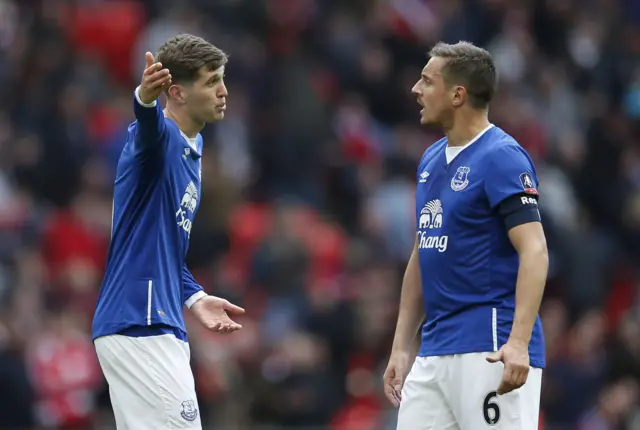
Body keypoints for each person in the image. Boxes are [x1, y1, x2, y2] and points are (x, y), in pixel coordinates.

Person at [383, 41, 548, 429]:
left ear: (457, 95)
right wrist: (401, 347)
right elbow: (424, 251)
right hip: (435, 347)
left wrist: (518, 343)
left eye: (427, 80)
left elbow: (535, 250)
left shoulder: (501, 156)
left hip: (490, 344)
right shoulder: (430, 160)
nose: (415, 89)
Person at [92, 34, 245, 429]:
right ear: (175, 92)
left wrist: (195, 298)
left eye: (222, 79)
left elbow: (163, 253)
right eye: (212, 81)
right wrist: (144, 98)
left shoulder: (192, 149)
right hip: (139, 323)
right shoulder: (160, 139)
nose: (223, 91)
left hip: (158, 323)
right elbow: (147, 126)